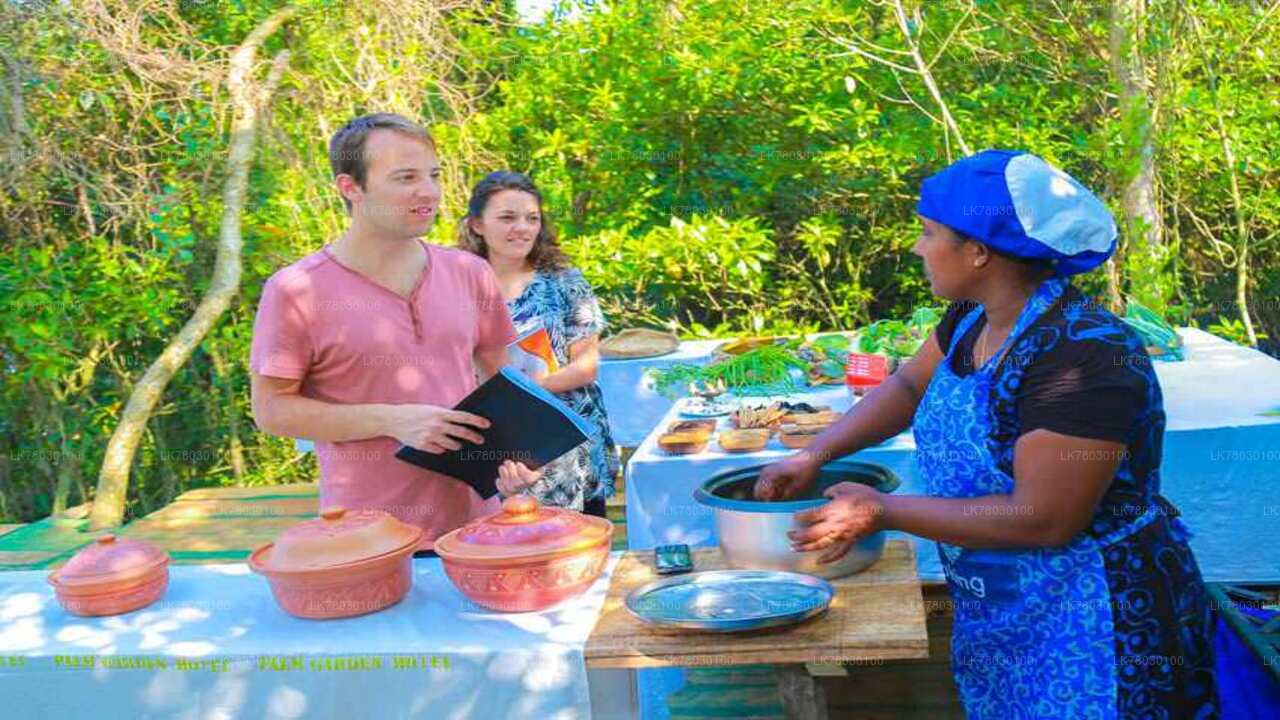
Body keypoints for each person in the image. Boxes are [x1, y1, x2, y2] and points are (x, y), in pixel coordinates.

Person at [757, 150, 1218, 718]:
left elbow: (1044, 518)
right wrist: (816, 452)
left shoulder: (1083, 355)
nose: (917, 247)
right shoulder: (970, 319)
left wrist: (883, 510)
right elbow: (906, 389)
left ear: (978, 250)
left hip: (1097, 613)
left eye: (928, 233)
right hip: (1007, 600)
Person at [249, 113, 539, 555]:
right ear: (351, 188)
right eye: (406, 177)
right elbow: (272, 411)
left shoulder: (469, 272)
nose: (429, 191)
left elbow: (505, 383)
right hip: (365, 539)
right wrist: (392, 419)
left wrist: (515, 453)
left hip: (478, 529)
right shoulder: (296, 289)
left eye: (434, 175)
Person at [457, 171, 619, 517]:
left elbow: (586, 367)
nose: (523, 228)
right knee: (508, 547)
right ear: (476, 225)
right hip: (496, 445)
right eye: (507, 217)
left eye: (532, 218)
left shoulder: (564, 281)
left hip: (565, 438)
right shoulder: (456, 287)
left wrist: (522, 393)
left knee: (580, 547)